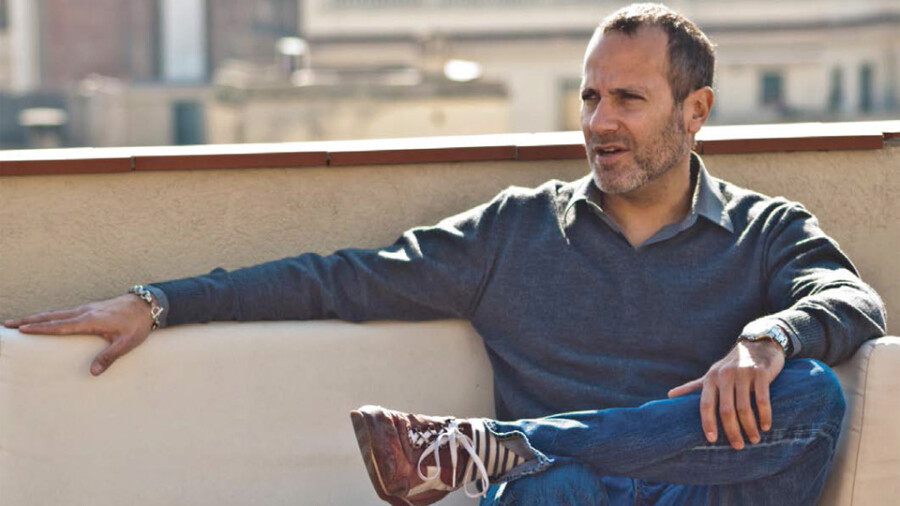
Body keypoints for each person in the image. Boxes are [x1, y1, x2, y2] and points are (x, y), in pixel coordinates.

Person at [4, 3, 886, 505]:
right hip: (562, 500)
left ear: (696, 112)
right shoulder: (517, 232)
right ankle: (522, 457)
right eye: (588, 98)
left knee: (808, 392)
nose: (599, 123)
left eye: (628, 99)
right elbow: (338, 280)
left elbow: (851, 301)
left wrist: (767, 337)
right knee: (551, 487)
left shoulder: (764, 229)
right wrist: (160, 301)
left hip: (703, 495)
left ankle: (501, 447)